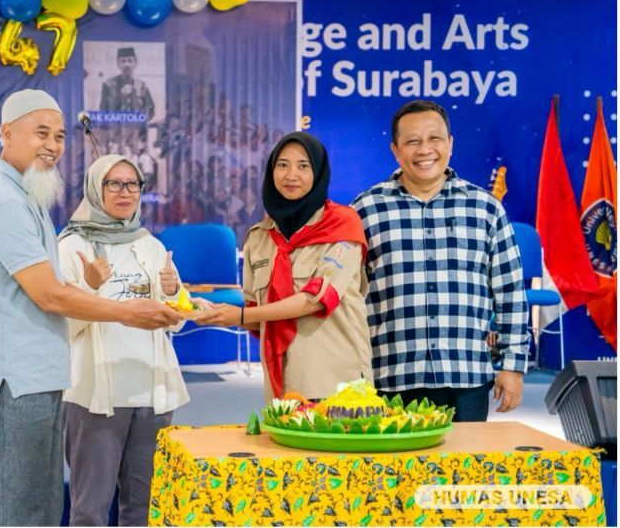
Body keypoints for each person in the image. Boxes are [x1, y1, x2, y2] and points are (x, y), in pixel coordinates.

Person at [0, 89, 180, 527]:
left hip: (33, 379)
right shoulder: (3, 201)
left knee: (37, 510)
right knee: (14, 513)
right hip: (10, 383)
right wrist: (128, 311)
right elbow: (50, 295)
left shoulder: (26, 197)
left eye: (59, 136)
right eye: (41, 133)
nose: (53, 146)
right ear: (6, 132)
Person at [352, 99, 529, 422]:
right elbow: (349, 298)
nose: (424, 150)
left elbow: (511, 294)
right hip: (391, 375)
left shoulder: (484, 209)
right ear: (395, 150)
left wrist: (513, 365)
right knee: (396, 473)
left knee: (463, 472)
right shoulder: (365, 210)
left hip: (465, 375)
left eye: (434, 139)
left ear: (450, 144)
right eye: (412, 141)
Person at [57, 154, 190, 526]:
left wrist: (174, 291)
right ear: (95, 189)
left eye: (132, 184)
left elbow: (177, 318)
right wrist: (88, 286)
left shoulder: (150, 244)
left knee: (144, 507)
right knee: (90, 509)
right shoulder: (71, 246)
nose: (124, 192)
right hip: (98, 394)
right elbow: (59, 327)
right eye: (113, 183)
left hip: (152, 392)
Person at [196, 132, 372, 401]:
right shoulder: (258, 237)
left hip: (337, 383)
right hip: (282, 386)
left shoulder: (343, 225)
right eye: (282, 165)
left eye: (303, 166)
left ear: (319, 172)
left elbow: (315, 299)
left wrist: (241, 316)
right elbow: (257, 314)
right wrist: (212, 311)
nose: (291, 174)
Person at [99, 47, 155, 121]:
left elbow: (150, 108)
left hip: (136, 130)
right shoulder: (108, 85)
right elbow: (103, 110)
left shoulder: (141, 86)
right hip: (116, 129)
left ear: (135, 63)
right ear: (118, 64)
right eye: (123, 61)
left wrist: (140, 120)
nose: (126, 64)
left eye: (130, 60)